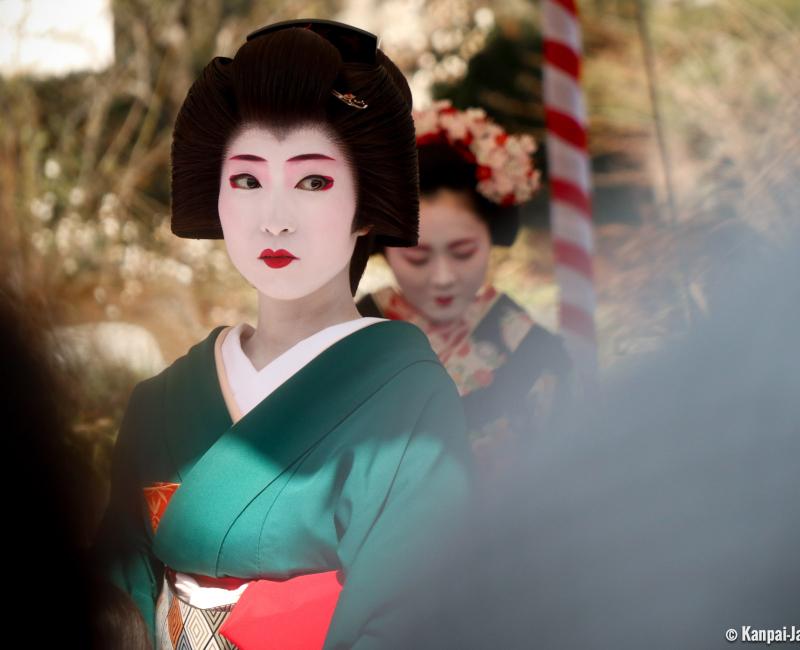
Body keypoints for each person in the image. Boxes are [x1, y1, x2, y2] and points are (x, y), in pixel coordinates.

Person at [94, 20, 472, 650]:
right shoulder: (160, 402)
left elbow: (414, 617)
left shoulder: (411, 408)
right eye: (246, 180)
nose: (274, 219)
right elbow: (116, 582)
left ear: (367, 206)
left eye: (312, 181)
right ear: (216, 196)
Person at [358, 101, 571, 470]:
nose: (443, 276)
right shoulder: (349, 341)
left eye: (462, 252)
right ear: (382, 248)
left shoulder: (531, 348)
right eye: (418, 257)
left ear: (492, 236)